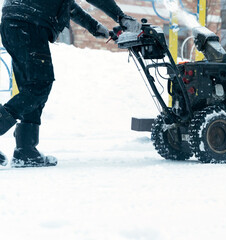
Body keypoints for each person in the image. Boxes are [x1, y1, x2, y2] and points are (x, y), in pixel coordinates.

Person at [0, 0, 141, 168]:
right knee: (39, 85)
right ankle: (25, 148)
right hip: (29, 23)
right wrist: (121, 17)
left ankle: (26, 149)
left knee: (31, 86)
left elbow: (68, 6)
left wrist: (94, 27)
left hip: (13, 22)